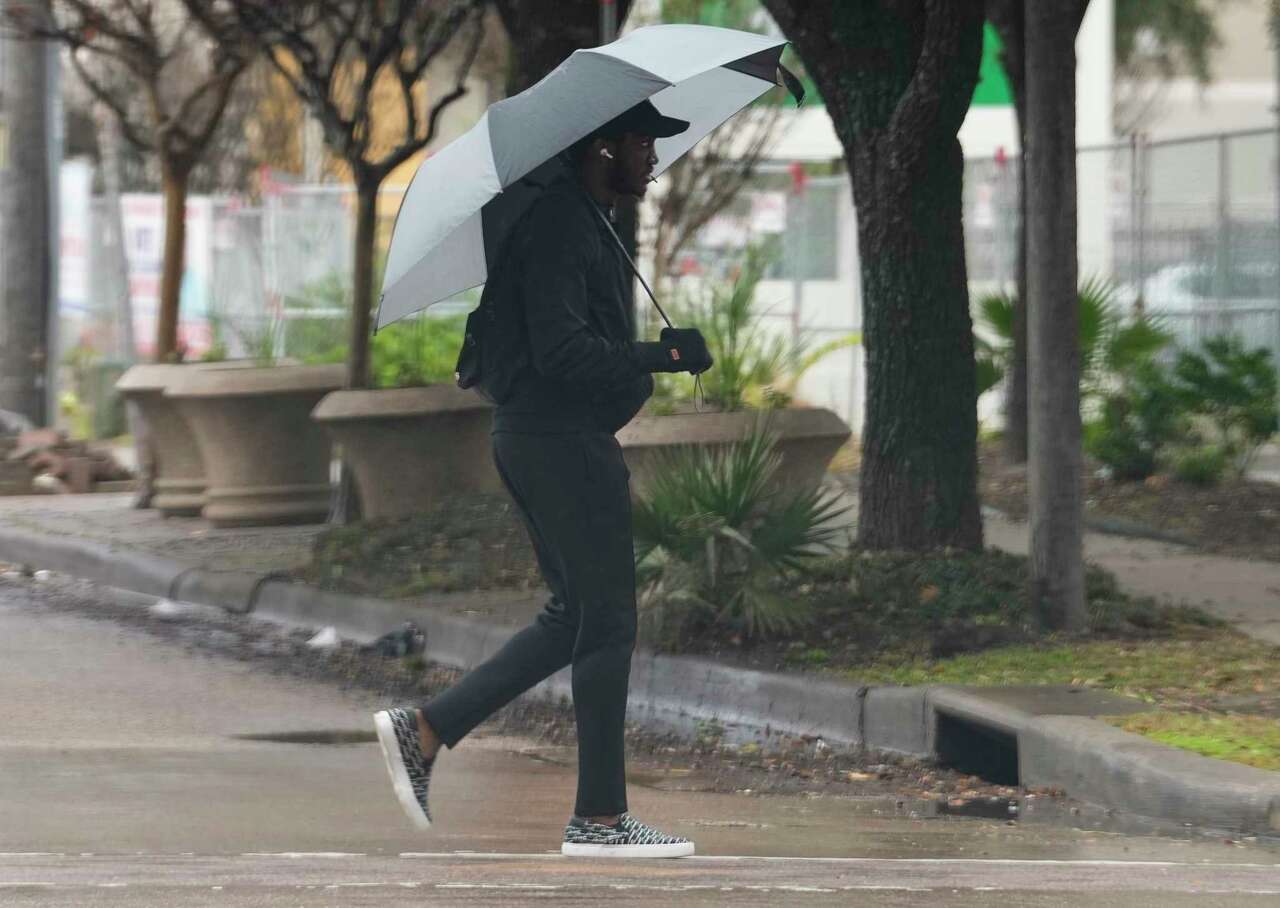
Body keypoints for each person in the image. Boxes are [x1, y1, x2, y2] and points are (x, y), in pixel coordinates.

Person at [373, 99, 714, 859]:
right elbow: (562, 351)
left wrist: (650, 356)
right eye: (641, 142)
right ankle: (599, 820)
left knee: (575, 617)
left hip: (544, 436)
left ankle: (425, 731)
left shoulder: (583, 217)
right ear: (601, 146)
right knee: (610, 622)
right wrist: (660, 357)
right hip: (559, 441)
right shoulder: (562, 223)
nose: (653, 157)